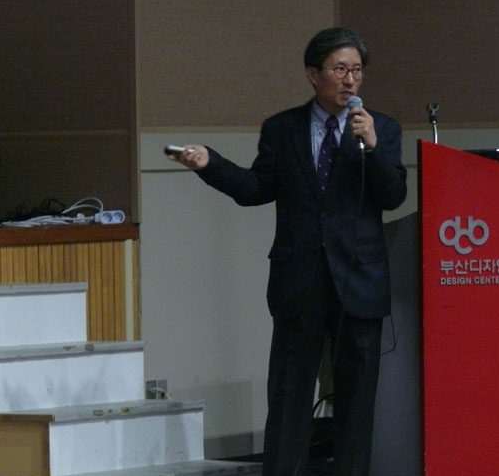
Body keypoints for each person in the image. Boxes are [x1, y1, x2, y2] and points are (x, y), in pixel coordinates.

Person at [167, 27, 407, 475]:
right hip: (300, 279)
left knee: (357, 401)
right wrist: (210, 165)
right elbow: (256, 189)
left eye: (357, 70)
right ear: (313, 74)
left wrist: (373, 147)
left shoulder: (381, 129)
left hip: (359, 280)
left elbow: (393, 195)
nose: (350, 80)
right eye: (339, 69)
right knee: (289, 396)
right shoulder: (283, 129)